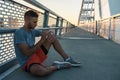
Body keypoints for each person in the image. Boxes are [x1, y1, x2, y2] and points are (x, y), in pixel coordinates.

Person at [14, 10, 80, 76]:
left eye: (36, 22)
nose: (36, 24)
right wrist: (42, 40)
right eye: (34, 22)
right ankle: (56, 66)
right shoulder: (19, 33)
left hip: (36, 55)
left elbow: (43, 33)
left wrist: (49, 33)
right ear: (27, 20)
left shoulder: (32, 30)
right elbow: (27, 53)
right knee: (41, 71)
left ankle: (67, 58)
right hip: (27, 62)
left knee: (52, 37)